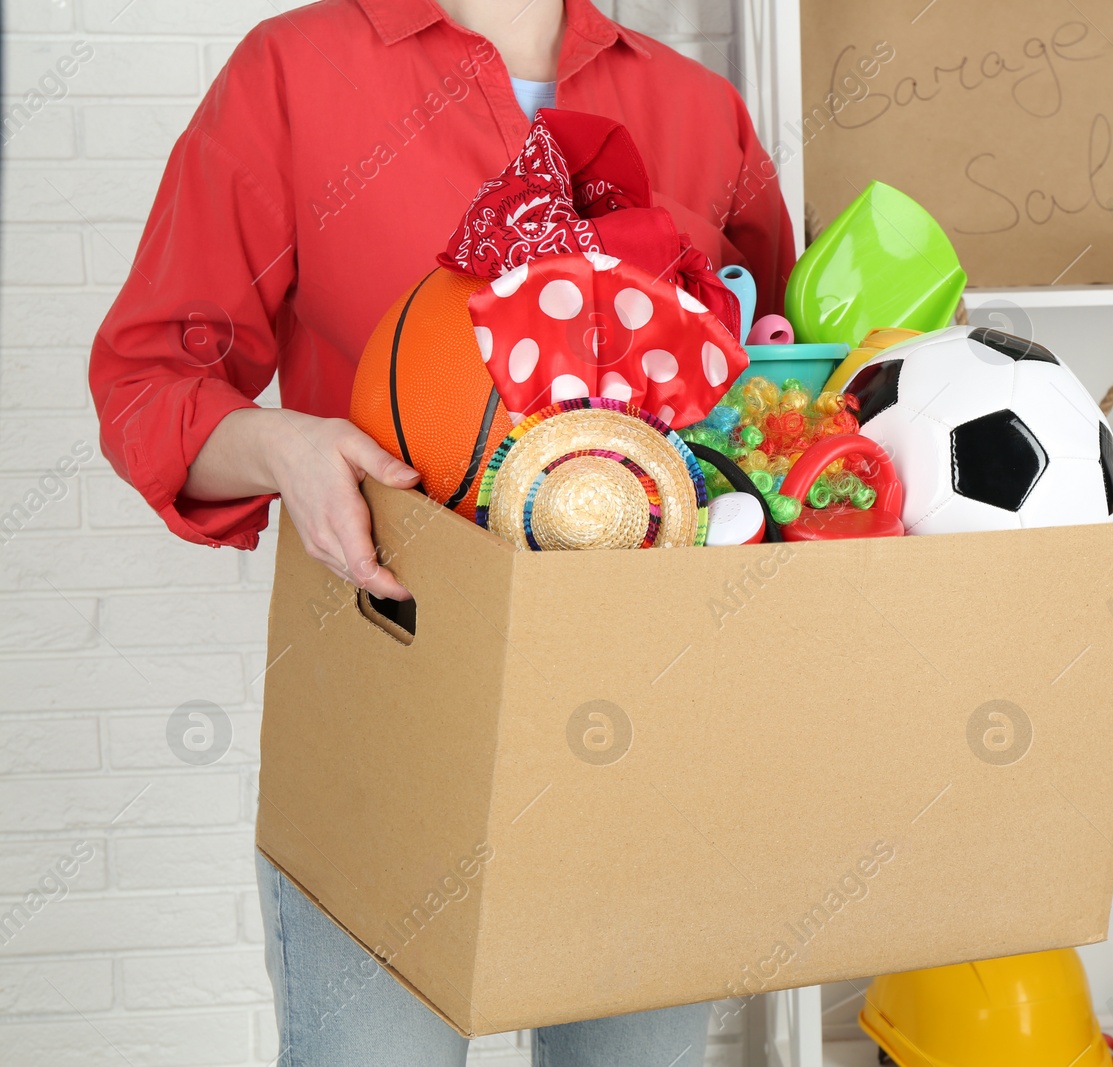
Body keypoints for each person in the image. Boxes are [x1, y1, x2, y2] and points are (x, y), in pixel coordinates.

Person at [88, 0, 795, 1063]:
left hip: (647, 728)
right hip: (387, 719)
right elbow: (151, 382)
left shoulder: (697, 108)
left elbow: (777, 394)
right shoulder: (292, 73)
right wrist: (284, 445)